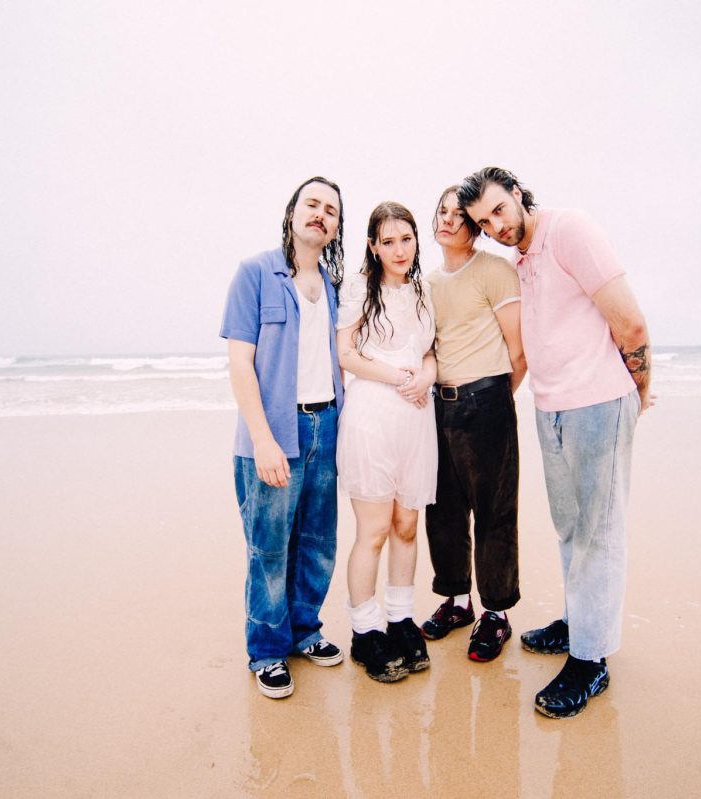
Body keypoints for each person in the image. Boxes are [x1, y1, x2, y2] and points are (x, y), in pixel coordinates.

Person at [458, 167, 652, 719]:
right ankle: (577, 620)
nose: (494, 226)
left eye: (498, 210)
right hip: (552, 410)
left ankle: (591, 662)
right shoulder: (523, 259)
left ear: (517, 194)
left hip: (598, 405)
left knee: (599, 532)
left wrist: (636, 395)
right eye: (482, 222)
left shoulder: (571, 230)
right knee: (570, 527)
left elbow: (630, 324)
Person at [219, 176, 348, 700]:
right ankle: (268, 650)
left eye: (331, 210)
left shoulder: (334, 287)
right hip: (273, 433)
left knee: (318, 544)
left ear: (337, 227)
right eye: (312, 204)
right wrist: (264, 438)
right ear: (293, 212)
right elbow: (239, 363)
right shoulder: (255, 273)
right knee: (269, 549)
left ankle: (305, 631)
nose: (321, 214)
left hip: (327, 425)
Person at [421, 185, 527, 662]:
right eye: (441, 212)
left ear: (474, 227)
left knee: (494, 513)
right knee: (442, 511)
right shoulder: (427, 281)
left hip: (486, 403)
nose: (447, 221)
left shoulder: (494, 271)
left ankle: (496, 614)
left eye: (457, 215)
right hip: (436, 407)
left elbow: (518, 352)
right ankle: (457, 602)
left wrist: (493, 402)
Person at [336, 201, 438, 683]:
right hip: (372, 416)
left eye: (407, 238)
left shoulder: (423, 291)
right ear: (373, 247)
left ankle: (401, 621)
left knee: (406, 525)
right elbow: (347, 355)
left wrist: (426, 377)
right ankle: (365, 630)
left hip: (416, 419)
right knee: (373, 530)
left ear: (416, 240)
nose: (399, 249)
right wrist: (399, 376)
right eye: (388, 241)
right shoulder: (360, 288)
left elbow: (431, 353)